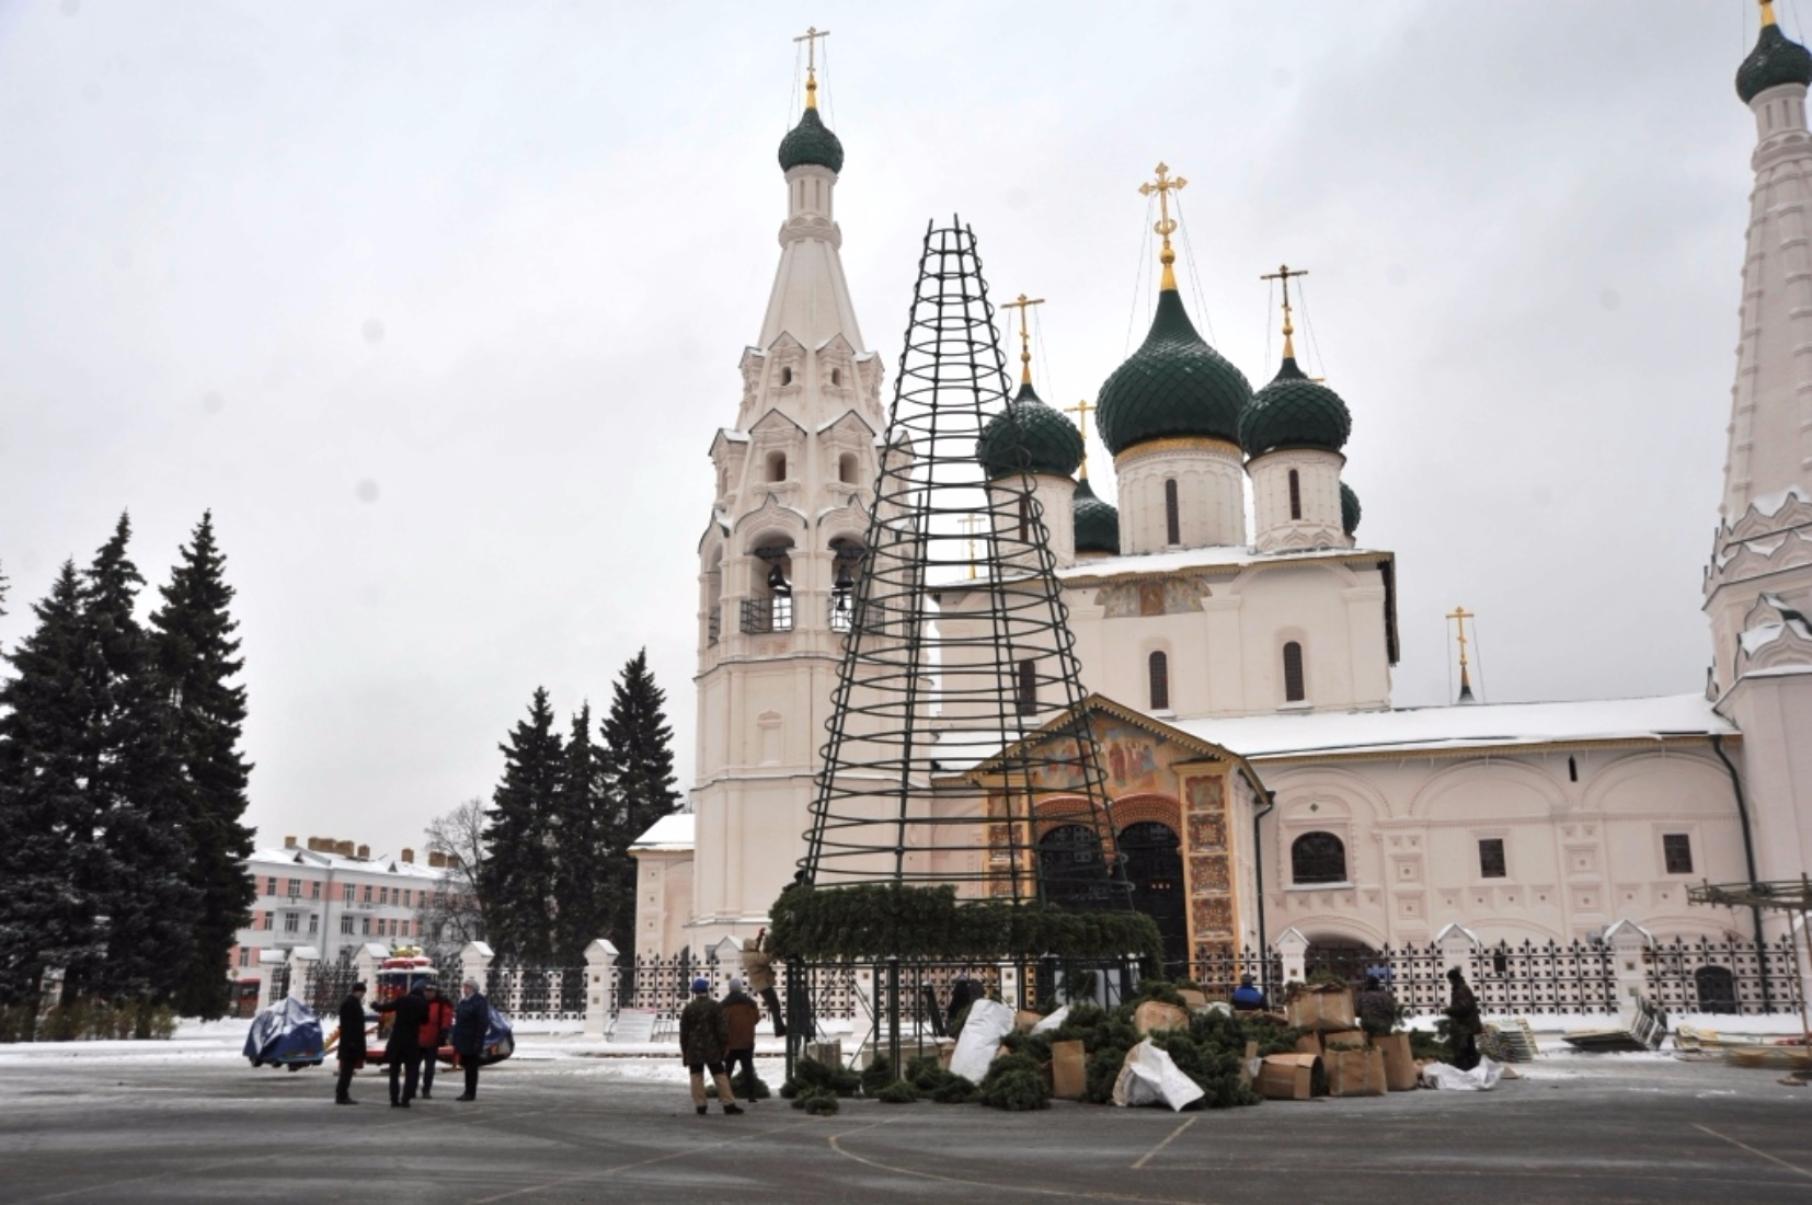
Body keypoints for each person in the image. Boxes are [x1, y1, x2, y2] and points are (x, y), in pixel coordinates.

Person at [679, 977, 743, 1116]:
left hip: (693, 1048)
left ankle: (700, 1105)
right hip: (712, 1047)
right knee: (719, 1075)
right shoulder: (715, 1006)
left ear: (694, 991)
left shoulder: (689, 1008)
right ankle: (728, 1104)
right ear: (707, 990)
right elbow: (722, 1029)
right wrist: (724, 1044)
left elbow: (684, 1032)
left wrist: (684, 1050)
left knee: (696, 1076)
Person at [375, 984, 429, 1108]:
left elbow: (386, 1008)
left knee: (394, 1072)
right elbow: (425, 1020)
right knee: (411, 1071)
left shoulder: (402, 1000)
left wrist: (376, 1006)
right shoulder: (422, 1004)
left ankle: (394, 1099)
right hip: (411, 1042)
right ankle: (406, 1099)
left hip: (397, 1040)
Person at [720, 976, 761, 1102]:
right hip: (746, 1042)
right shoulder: (750, 1004)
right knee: (748, 1070)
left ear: (729, 989)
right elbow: (756, 1019)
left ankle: (724, 1096)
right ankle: (752, 1096)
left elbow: (722, 1023)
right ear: (740, 988)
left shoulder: (724, 1005)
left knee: (727, 1071)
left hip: (730, 1043)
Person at [451, 978, 488, 1101]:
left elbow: (482, 1023)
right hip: (463, 1039)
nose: (464, 989)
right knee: (467, 1067)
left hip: (473, 1040)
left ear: (473, 989)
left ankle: (470, 1093)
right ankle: (467, 1091)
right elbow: (459, 1021)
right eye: (464, 987)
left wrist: (478, 1041)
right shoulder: (464, 1002)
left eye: (467, 987)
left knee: (471, 1068)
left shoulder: (479, 1002)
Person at [417, 983, 455, 1100]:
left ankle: (426, 1090)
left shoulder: (442, 1004)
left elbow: (446, 1019)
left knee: (429, 1068)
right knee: (413, 1067)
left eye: (431, 991)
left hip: (431, 1040)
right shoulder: (419, 1001)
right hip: (417, 1040)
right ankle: (411, 1088)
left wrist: (444, 1032)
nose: (428, 993)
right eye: (426, 991)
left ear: (435, 992)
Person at [334, 982, 369, 1105]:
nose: (363, 994)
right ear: (356, 991)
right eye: (361, 992)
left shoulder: (353, 1003)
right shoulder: (350, 1004)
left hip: (351, 1042)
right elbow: (348, 1025)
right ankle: (341, 1095)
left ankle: (343, 1094)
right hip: (350, 1044)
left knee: (347, 1071)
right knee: (346, 1072)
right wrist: (352, 1042)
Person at [1445, 967, 1483, 1071]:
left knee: (1465, 1047)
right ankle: (1473, 1067)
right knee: (1469, 1046)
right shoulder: (1460, 987)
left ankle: (1468, 1067)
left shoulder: (1461, 989)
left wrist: (1449, 1010)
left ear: (1453, 979)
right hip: (1467, 1023)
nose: (1449, 982)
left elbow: (1463, 1007)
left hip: (1465, 1024)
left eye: (1449, 980)